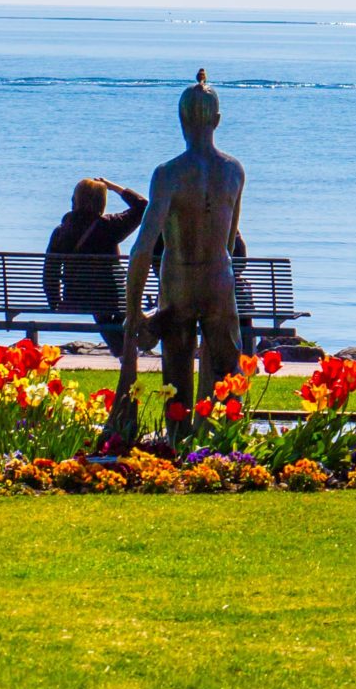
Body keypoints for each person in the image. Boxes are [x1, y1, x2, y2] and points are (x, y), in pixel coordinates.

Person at [112, 71, 247, 442]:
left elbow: (142, 249)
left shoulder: (168, 174)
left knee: (177, 382)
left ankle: (177, 445)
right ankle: (222, 448)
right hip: (219, 282)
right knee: (226, 376)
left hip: (179, 283)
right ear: (217, 120)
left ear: (180, 119)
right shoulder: (234, 171)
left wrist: (133, 312)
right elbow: (230, 241)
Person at [43, 177, 148, 353]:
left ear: (75, 200)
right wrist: (115, 187)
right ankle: (127, 354)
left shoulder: (61, 231)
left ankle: (125, 354)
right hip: (111, 298)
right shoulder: (110, 226)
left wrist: (55, 302)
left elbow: (50, 272)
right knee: (115, 308)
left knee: (103, 312)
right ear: (102, 201)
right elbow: (144, 208)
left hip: (76, 298)